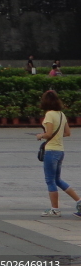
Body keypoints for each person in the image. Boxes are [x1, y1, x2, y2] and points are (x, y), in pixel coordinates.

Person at [36, 89, 81, 217]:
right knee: (58, 179)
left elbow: (49, 133)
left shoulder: (49, 114)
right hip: (60, 150)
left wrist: (40, 135)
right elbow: (67, 133)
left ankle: (55, 209)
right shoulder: (61, 114)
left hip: (51, 151)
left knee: (50, 180)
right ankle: (79, 201)